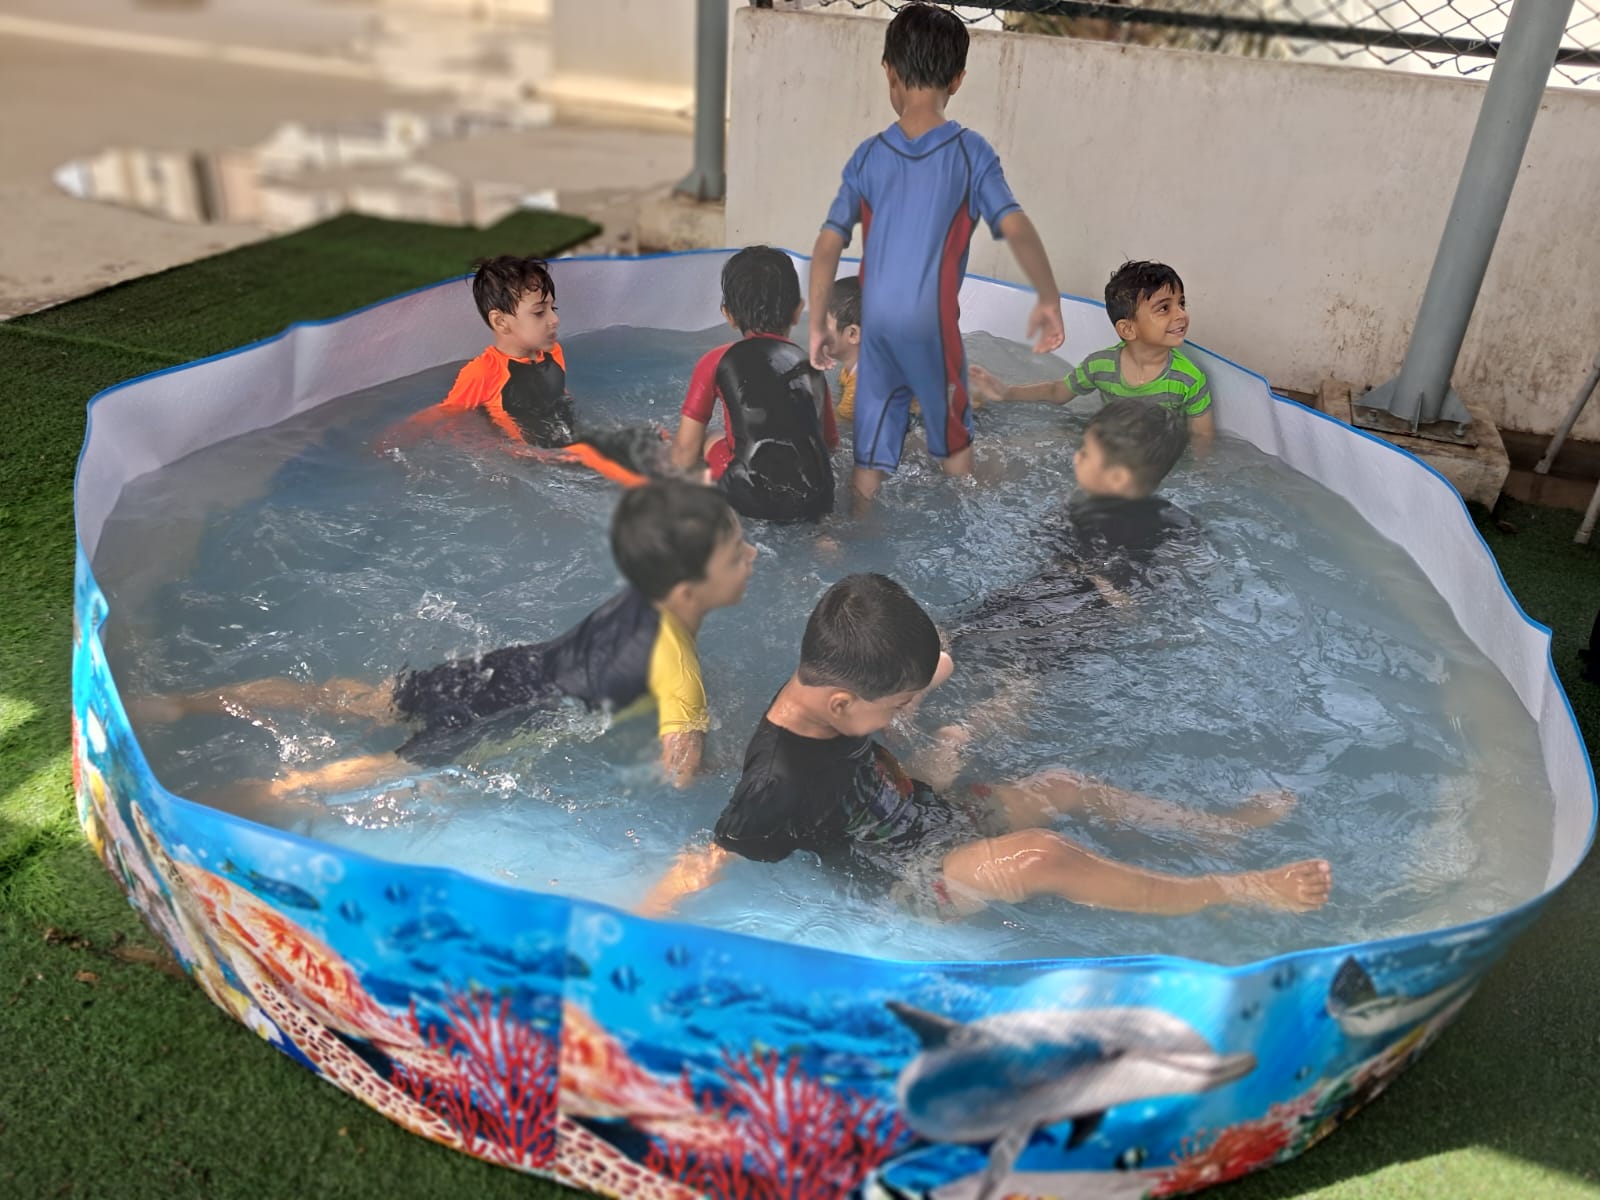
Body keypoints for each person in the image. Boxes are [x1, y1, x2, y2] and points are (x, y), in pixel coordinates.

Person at [640, 574, 1332, 920]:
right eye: (897, 705)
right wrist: (638, 921)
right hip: (904, 875)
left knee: (1061, 784)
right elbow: (711, 859)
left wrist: (926, 719)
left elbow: (910, 691)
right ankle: (1230, 891)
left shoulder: (828, 693)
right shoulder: (775, 781)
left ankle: (1213, 830)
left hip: (920, 812)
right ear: (844, 702)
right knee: (1043, 856)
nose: (903, 711)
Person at [134, 482, 755, 798]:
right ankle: (262, 795)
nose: (752, 556)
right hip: (512, 715)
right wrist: (721, 763)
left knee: (353, 700)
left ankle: (180, 703)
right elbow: (679, 776)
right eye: (736, 553)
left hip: (500, 669)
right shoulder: (681, 665)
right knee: (382, 770)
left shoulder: (639, 596)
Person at [805, 2, 1065, 504]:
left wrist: (818, 323)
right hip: (934, 329)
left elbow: (827, 244)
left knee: (869, 462)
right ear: (958, 79)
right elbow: (1015, 225)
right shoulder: (971, 153)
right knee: (955, 451)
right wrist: (1048, 296)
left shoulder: (870, 156)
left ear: (889, 71)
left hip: (879, 329)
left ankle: (856, 524)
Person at [378, 254, 666, 486]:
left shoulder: (553, 352)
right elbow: (445, 412)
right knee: (589, 455)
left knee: (654, 434)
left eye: (553, 309)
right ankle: (654, 491)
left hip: (567, 441)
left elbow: (556, 393)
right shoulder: (483, 372)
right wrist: (394, 439)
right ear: (501, 322)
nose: (554, 320)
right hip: (532, 458)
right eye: (540, 312)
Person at [959, 398, 1197, 645]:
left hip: (1077, 606)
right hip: (1085, 611)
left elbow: (1121, 601)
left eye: (1085, 453)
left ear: (1117, 477)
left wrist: (1082, 571)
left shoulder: (1080, 510)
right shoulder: (1179, 526)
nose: (1076, 458)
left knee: (974, 628)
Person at [670, 246, 840, 523]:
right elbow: (830, 444)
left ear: (728, 314)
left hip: (747, 494)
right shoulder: (812, 366)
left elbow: (684, 454)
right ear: (797, 311)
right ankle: (823, 538)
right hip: (816, 499)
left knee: (707, 437)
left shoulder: (716, 360)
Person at [971, 260, 1216, 446]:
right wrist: (1006, 392)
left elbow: (1202, 437)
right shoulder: (1101, 365)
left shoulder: (1189, 379)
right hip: (1108, 443)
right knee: (1037, 441)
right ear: (1128, 329)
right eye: (1164, 308)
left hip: (1154, 456)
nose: (1180, 314)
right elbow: (1057, 392)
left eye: (1181, 303)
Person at [825, 274, 863, 425]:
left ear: (853, 334)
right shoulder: (853, 367)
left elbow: (837, 426)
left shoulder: (860, 385)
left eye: (823, 323)